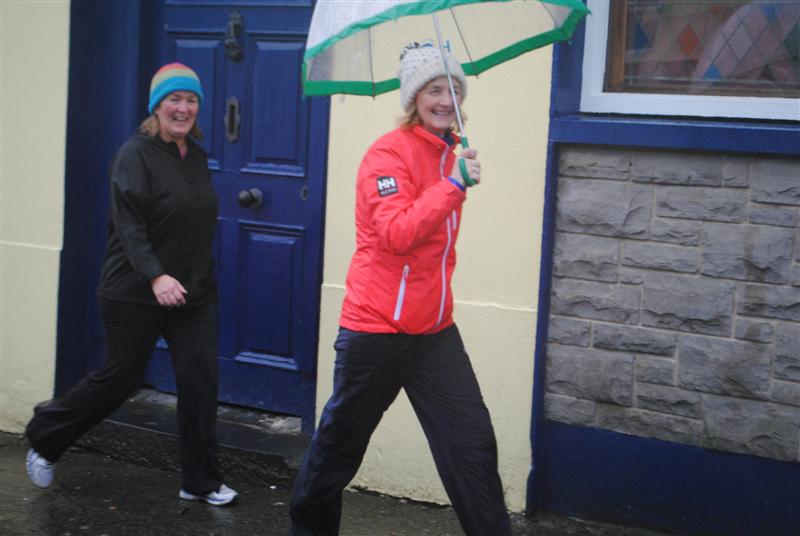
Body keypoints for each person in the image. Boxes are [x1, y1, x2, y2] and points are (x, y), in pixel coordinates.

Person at [289, 43, 512, 535]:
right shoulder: (387, 153)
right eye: (434, 90)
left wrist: (453, 174)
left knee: (473, 445)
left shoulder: (450, 152)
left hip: (433, 331)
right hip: (378, 331)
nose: (446, 99)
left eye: (454, 89)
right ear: (414, 98)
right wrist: (453, 186)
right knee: (336, 453)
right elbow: (396, 234)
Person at [24, 63, 237, 506]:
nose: (183, 108)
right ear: (157, 106)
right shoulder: (134, 154)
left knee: (199, 380)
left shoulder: (196, 156)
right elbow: (129, 226)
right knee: (120, 380)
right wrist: (156, 275)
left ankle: (200, 481)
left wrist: (198, 279)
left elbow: (195, 224)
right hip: (133, 289)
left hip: (191, 294)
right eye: (174, 99)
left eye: (191, 100)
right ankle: (45, 435)